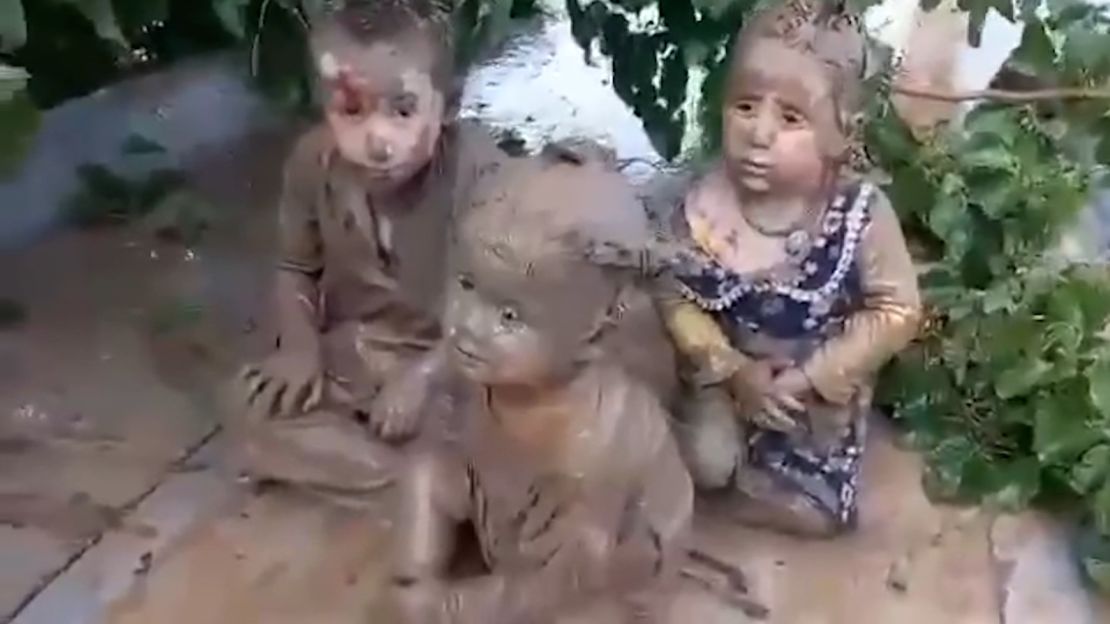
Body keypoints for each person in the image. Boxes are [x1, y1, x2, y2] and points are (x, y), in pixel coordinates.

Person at [651, 0, 922, 537]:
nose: (759, 133)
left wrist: (811, 377)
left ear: (842, 133)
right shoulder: (702, 210)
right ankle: (707, 453)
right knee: (706, 463)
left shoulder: (857, 216)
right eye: (745, 106)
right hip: (729, 377)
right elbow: (671, 293)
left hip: (812, 384)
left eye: (791, 117)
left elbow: (898, 310)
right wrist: (731, 370)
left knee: (816, 513)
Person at [389, 151, 692, 624]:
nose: (469, 325)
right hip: (504, 496)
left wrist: (453, 609)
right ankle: (412, 579)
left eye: (509, 317)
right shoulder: (498, 366)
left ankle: (442, 603)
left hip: (596, 570)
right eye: (466, 285)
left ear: (592, 331)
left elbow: (572, 577)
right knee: (427, 465)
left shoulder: (593, 445)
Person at [233, 0, 505, 497]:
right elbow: (295, 266)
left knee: (503, 422)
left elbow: (499, 303)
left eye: (403, 110)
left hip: (458, 359)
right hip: (365, 348)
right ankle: (424, 488)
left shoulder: (479, 173)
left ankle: (421, 481)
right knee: (253, 403)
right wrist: (300, 349)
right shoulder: (312, 164)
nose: (377, 141)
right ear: (324, 106)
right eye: (351, 111)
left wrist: (425, 378)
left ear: (448, 105)